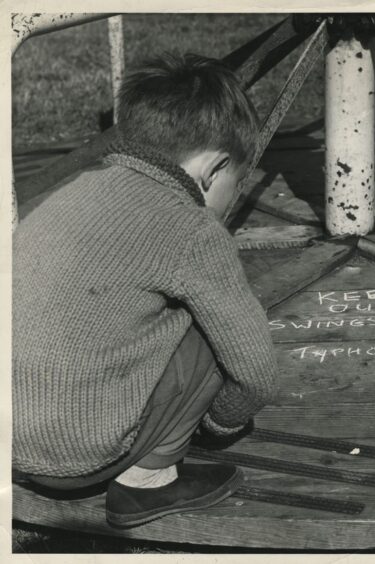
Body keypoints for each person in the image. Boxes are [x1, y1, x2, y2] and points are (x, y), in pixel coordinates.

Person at [12, 53, 279, 528]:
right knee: (214, 326)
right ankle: (148, 483)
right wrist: (220, 423)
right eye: (234, 187)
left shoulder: (66, 194)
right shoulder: (190, 230)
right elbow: (256, 372)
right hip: (77, 454)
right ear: (215, 169)